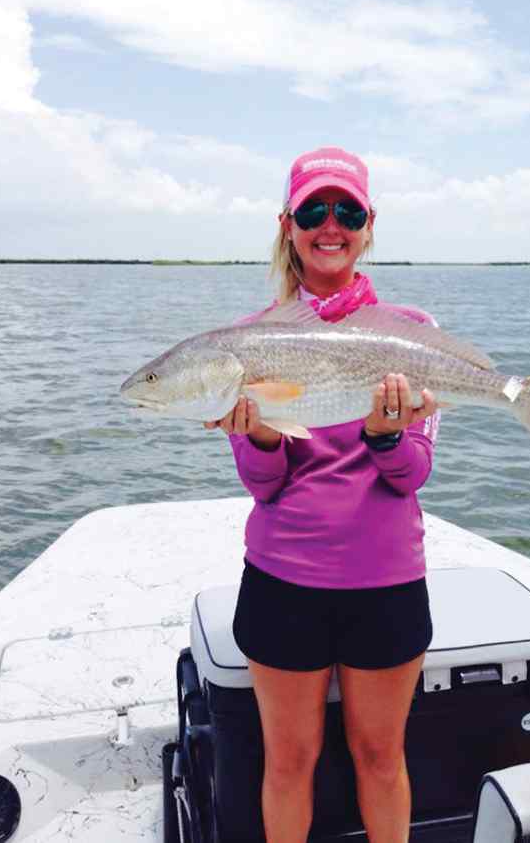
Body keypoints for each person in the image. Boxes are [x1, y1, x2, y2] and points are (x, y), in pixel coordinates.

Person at [204, 146, 439, 843]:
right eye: (313, 210)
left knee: (380, 756)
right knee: (288, 761)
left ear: (368, 226)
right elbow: (262, 485)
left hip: (387, 579)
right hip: (284, 580)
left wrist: (387, 435)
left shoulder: (411, 332)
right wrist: (266, 438)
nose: (329, 224)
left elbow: (411, 477)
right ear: (288, 224)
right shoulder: (248, 342)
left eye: (347, 210)